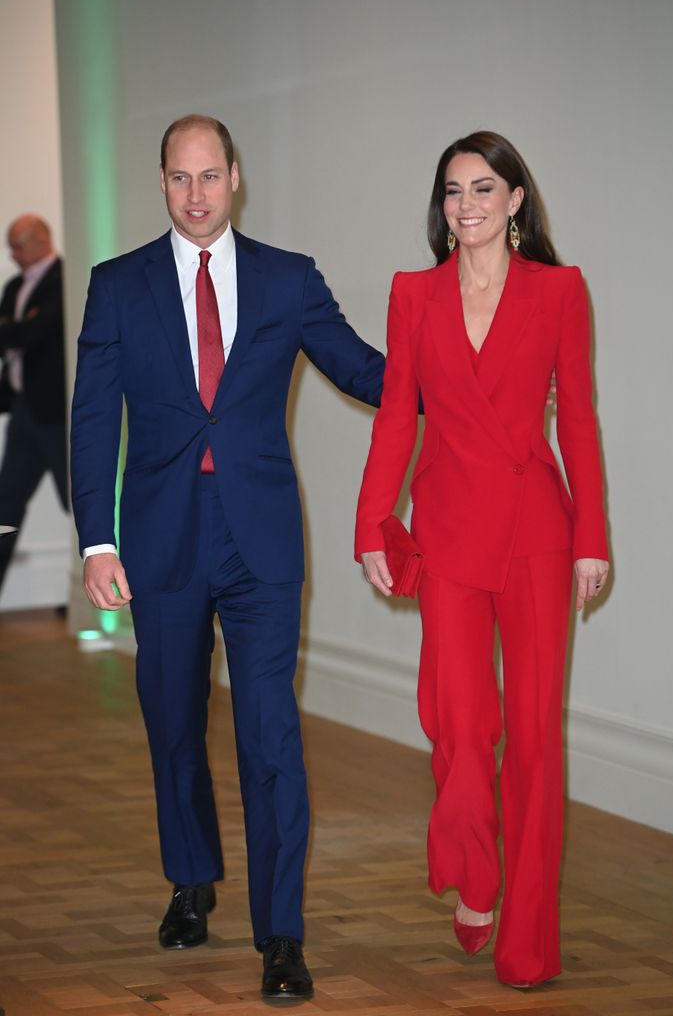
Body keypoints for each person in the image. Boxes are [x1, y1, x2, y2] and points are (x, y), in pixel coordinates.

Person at [70, 115, 385, 1003]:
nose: (196, 194)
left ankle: (280, 933)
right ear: (161, 182)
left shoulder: (288, 279)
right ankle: (191, 877)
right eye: (180, 178)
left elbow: (361, 370)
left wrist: (460, 381)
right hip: (162, 535)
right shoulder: (118, 286)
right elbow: (94, 416)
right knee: (172, 725)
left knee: (269, 736)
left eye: (211, 176)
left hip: (261, 538)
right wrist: (97, 540)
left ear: (235, 177)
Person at [355, 131, 609, 989]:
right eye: (453, 191)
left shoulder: (558, 291)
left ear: (515, 202)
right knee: (459, 725)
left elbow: (575, 417)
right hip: (450, 532)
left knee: (534, 741)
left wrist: (592, 539)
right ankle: (477, 868)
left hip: (538, 531)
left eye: (483, 189)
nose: (466, 205)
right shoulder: (412, 293)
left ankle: (528, 943)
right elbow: (397, 415)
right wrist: (370, 522)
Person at [0, 215, 67, 597]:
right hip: (23, 409)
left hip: (55, 414)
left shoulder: (64, 280)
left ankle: (90, 585)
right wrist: (18, 331)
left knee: (76, 501)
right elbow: (9, 336)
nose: (12, 254)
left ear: (41, 240)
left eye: (18, 245)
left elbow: (33, 333)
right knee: (5, 505)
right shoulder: (13, 287)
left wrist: (17, 330)